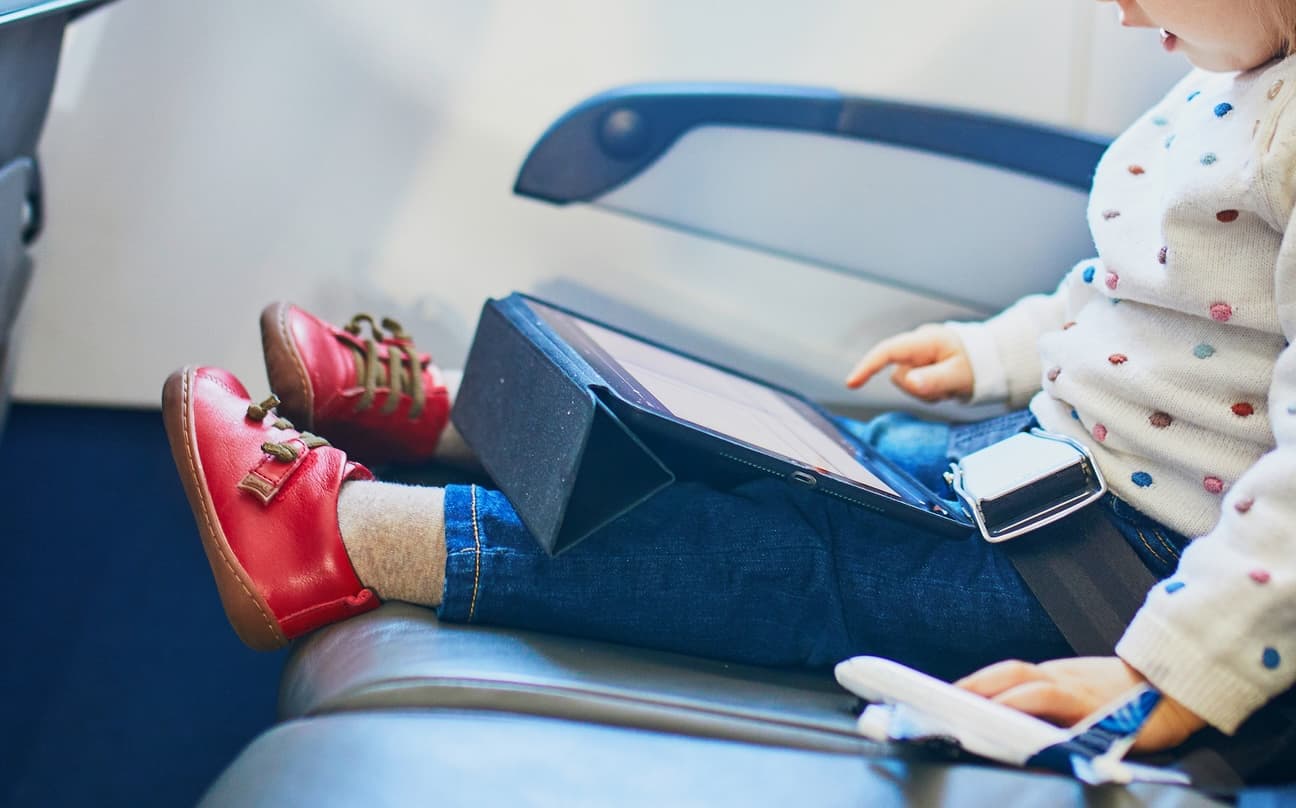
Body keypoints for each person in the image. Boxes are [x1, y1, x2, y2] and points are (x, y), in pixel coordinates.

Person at [164, 0, 1296, 761]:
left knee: (797, 560)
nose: (1123, 10)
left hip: (1141, 573)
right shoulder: (1225, 79)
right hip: (1052, 468)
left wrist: (1173, 674)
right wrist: (996, 350)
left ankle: (346, 542)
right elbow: (1133, 293)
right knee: (794, 447)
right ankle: (454, 409)